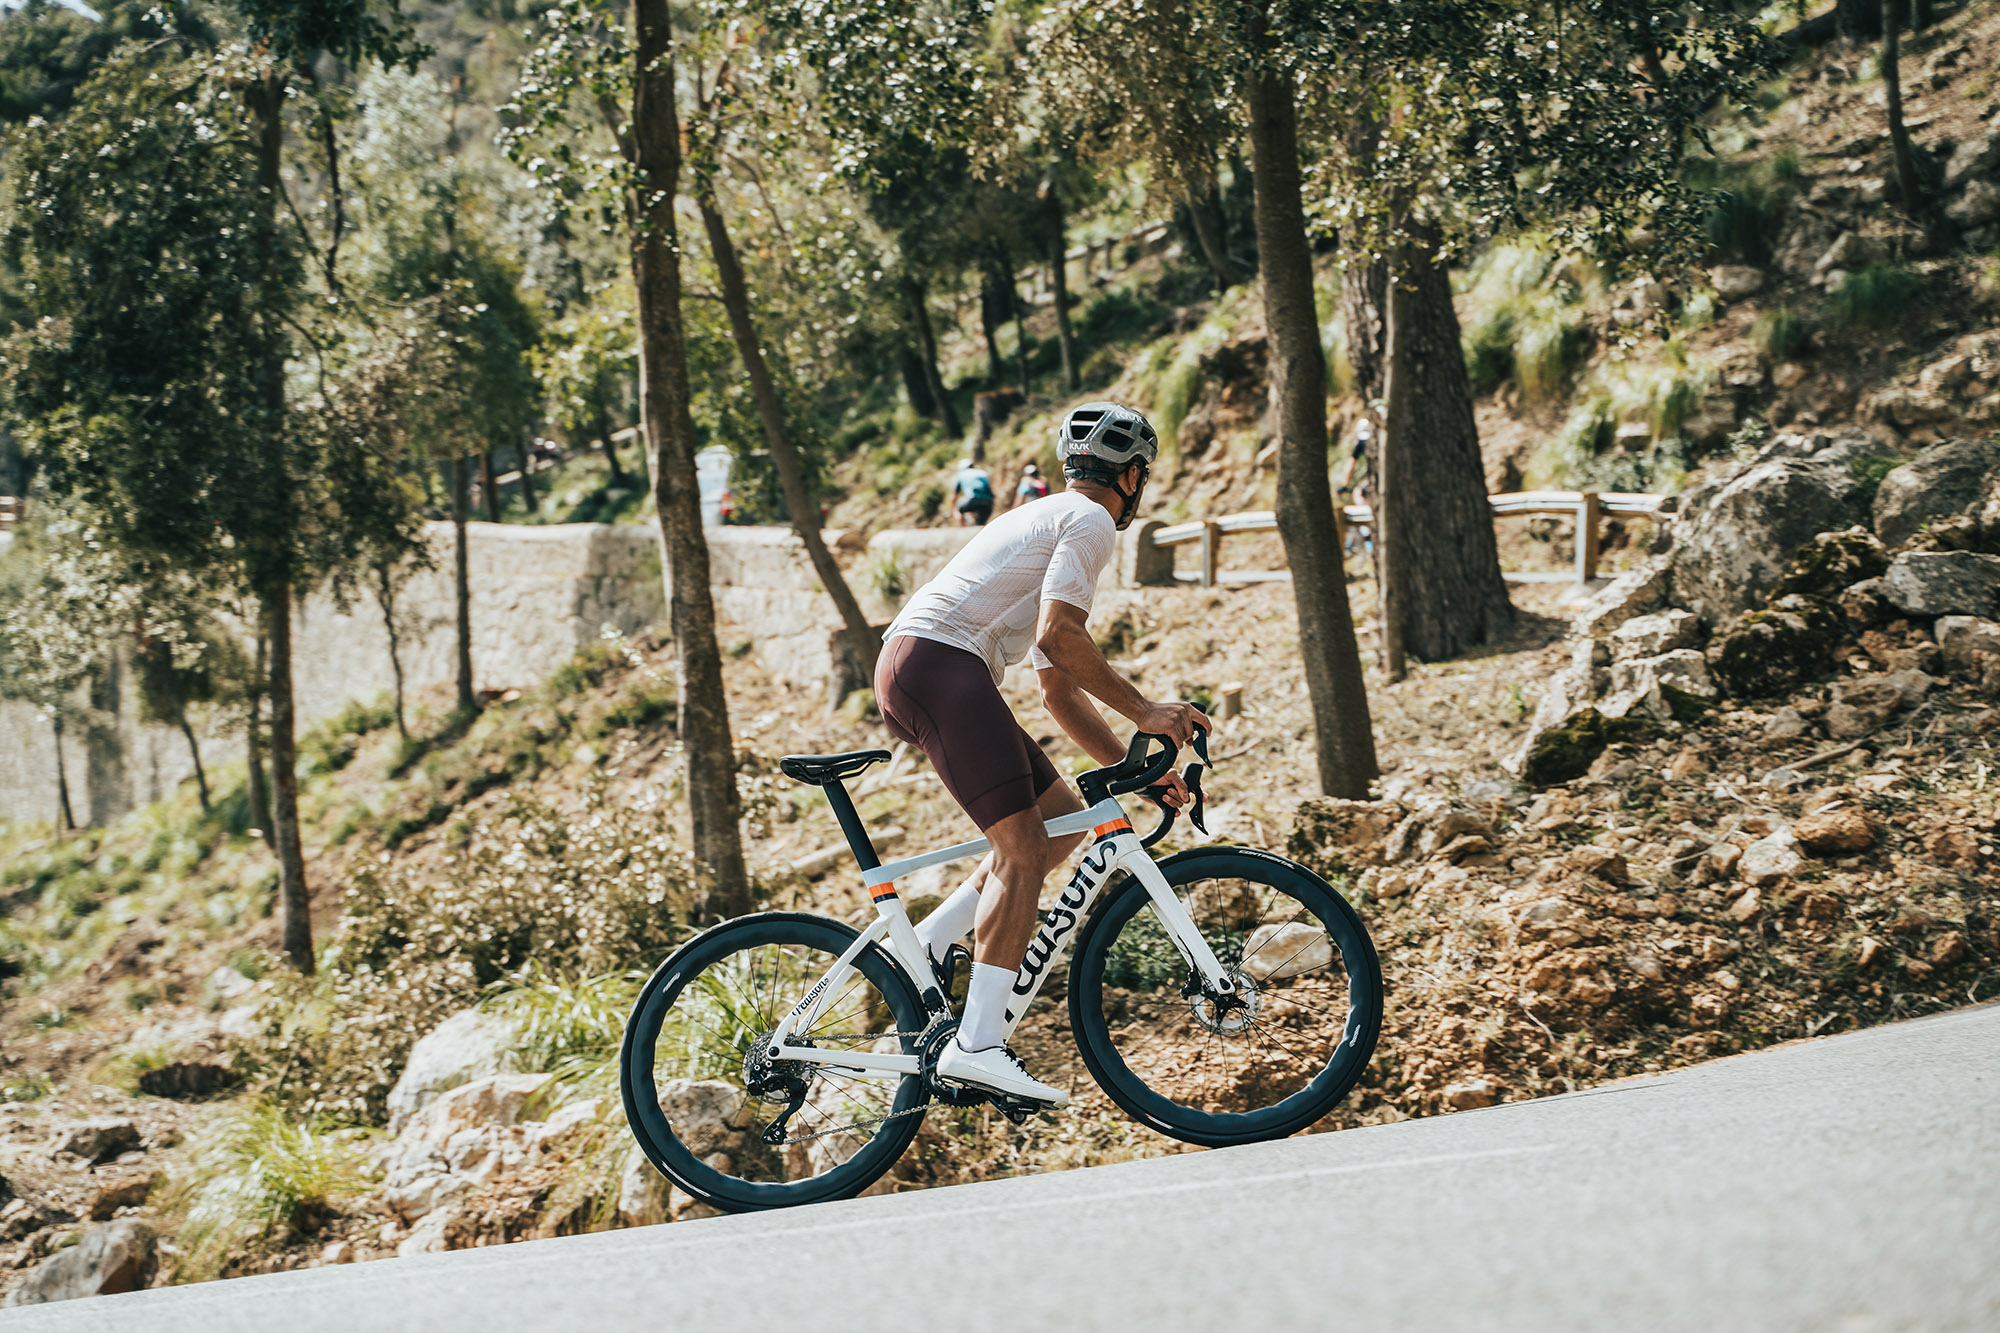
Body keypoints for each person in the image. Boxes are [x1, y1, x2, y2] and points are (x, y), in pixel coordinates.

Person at [875, 402, 1209, 1104]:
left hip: (927, 664)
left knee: (1058, 820)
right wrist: (1149, 711)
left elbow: (1056, 691)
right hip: (938, 664)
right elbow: (1062, 638)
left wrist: (1141, 769)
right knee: (1023, 844)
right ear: (1133, 475)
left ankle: (928, 946)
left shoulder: (1051, 518)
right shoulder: (1087, 522)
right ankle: (979, 1044)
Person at [951, 459, 995, 526]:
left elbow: (954, 494)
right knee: (981, 523)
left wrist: (953, 508)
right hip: (988, 501)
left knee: (957, 510)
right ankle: (979, 525)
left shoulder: (961, 474)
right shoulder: (983, 473)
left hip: (972, 499)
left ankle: (962, 528)